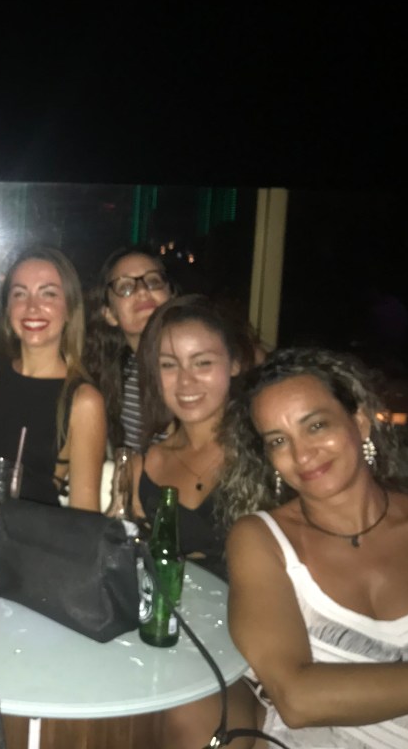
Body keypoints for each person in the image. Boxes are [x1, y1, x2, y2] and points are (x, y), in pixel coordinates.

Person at [219, 348, 408, 748]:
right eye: (279, 440)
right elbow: (297, 698)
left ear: (359, 423)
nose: (302, 454)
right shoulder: (262, 541)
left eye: (316, 425)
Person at [130, 294, 257, 748]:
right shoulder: (146, 463)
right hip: (168, 639)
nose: (185, 381)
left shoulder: (267, 451)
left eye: (202, 362)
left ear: (235, 363)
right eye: (169, 365)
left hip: (250, 647)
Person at [0, 246, 105, 510]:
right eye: (20, 294)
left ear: (70, 309)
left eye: (48, 294)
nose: (32, 307)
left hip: (28, 535)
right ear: (8, 308)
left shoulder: (82, 400)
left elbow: (85, 514)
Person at [84, 246, 173, 452]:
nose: (142, 291)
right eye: (125, 287)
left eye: (153, 281)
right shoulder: (113, 375)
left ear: (171, 295)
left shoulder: (200, 368)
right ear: (109, 314)